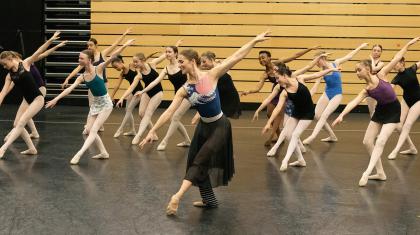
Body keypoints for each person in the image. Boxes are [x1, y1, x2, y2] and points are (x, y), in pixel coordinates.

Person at [139, 31, 271, 216]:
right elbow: (169, 112)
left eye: (181, 62)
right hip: (204, 128)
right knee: (195, 161)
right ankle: (209, 200)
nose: (179, 65)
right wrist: (152, 130)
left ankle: (177, 197)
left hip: (220, 126)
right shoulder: (185, 89)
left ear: (192, 61)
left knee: (200, 161)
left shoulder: (211, 75)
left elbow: (237, 56)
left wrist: (254, 41)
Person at [332, 37, 420, 186]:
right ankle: (380, 172)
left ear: (367, 69)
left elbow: (398, 56)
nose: (357, 73)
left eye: (358, 70)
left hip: (393, 110)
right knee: (367, 141)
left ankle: (367, 172)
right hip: (381, 111)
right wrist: (341, 115)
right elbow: (353, 102)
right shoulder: (366, 90)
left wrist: (409, 44)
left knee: (380, 141)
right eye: (355, 71)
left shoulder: (382, 74)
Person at [45, 39, 135, 164]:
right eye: (79, 58)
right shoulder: (82, 77)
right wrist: (56, 99)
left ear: (89, 60)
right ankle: (104, 152)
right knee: (88, 129)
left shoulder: (98, 68)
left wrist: (125, 44)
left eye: (81, 58)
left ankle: (79, 154)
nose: (79, 60)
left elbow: (112, 56)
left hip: (105, 104)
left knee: (93, 131)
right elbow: (69, 89)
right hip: (95, 104)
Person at [261, 63, 339, 171]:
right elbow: (278, 108)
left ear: (284, 75)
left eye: (278, 78)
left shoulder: (300, 78)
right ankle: (300, 160)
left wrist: (332, 69)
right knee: (288, 134)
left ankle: (285, 160)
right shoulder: (284, 92)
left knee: (295, 135)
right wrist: (268, 123)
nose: (277, 81)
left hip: (307, 113)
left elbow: (317, 74)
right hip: (296, 112)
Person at [0, 32, 63, 158]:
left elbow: (39, 52)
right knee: (16, 123)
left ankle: (3, 149)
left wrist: (50, 41)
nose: (4, 67)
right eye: (2, 66)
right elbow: (3, 92)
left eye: (5, 64)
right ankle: (32, 149)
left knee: (21, 122)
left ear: (11, 59)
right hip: (27, 99)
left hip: (37, 99)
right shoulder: (9, 75)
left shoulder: (26, 63)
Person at [241, 46, 320, 146]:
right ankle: (279, 134)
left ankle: (272, 136)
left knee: (278, 114)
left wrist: (310, 49)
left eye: (263, 57)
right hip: (277, 90)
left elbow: (295, 56)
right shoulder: (265, 74)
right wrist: (248, 92)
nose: (261, 60)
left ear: (269, 57)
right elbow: (258, 88)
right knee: (269, 113)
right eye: (260, 59)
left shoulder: (278, 63)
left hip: (287, 91)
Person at [302, 43, 369, 145]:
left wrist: (360, 47)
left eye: (317, 60)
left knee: (324, 115)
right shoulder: (321, 71)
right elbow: (315, 87)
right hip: (327, 93)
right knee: (317, 115)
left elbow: (349, 56)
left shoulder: (336, 63)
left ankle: (312, 136)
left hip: (337, 94)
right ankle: (332, 136)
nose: (316, 63)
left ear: (323, 58)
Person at [387, 56, 420, 159]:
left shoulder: (412, 69)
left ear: (402, 63)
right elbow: (388, 90)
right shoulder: (396, 78)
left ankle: (395, 150)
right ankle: (412, 148)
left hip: (418, 100)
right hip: (406, 100)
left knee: (407, 124)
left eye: (395, 62)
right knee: (398, 125)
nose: (394, 64)